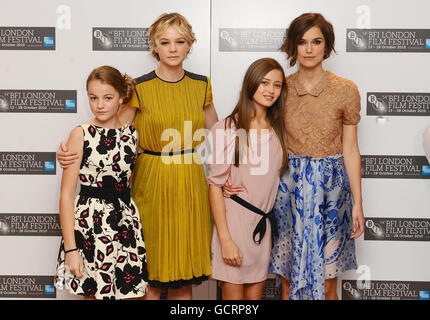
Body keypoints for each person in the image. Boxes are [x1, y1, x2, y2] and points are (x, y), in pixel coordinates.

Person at [57, 13, 218, 300]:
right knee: (149, 276)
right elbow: (113, 134)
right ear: (154, 46)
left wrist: (230, 176)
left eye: (179, 41)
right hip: (151, 184)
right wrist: (70, 153)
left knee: (184, 276)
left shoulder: (201, 85)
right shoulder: (140, 88)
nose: (172, 48)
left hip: (190, 182)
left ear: (190, 45)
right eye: (164, 42)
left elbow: (220, 137)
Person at [224, 13, 365, 300]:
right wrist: (228, 177)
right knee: (289, 277)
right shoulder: (279, 89)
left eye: (317, 41)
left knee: (328, 281)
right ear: (292, 47)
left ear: (327, 46)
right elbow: (250, 132)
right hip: (290, 188)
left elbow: (350, 149)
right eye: (302, 42)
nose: (309, 49)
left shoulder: (346, 90)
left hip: (332, 191)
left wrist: (358, 202)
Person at [54, 66, 148, 300]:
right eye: (93, 97)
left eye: (108, 98)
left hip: (125, 224)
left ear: (121, 97)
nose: (99, 105)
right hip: (90, 227)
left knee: (129, 294)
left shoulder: (132, 135)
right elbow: (66, 196)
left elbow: (129, 181)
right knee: (93, 295)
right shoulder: (80, 134)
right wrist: (71, 249)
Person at [207, 58, 288, 300]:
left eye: (277, 85)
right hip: (235, 226)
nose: (270, 90)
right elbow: (215, 187)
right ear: (251, 83)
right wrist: (225, 240)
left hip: (262, 228)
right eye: (264, 82)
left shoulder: (279, 129)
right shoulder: (227, 128)